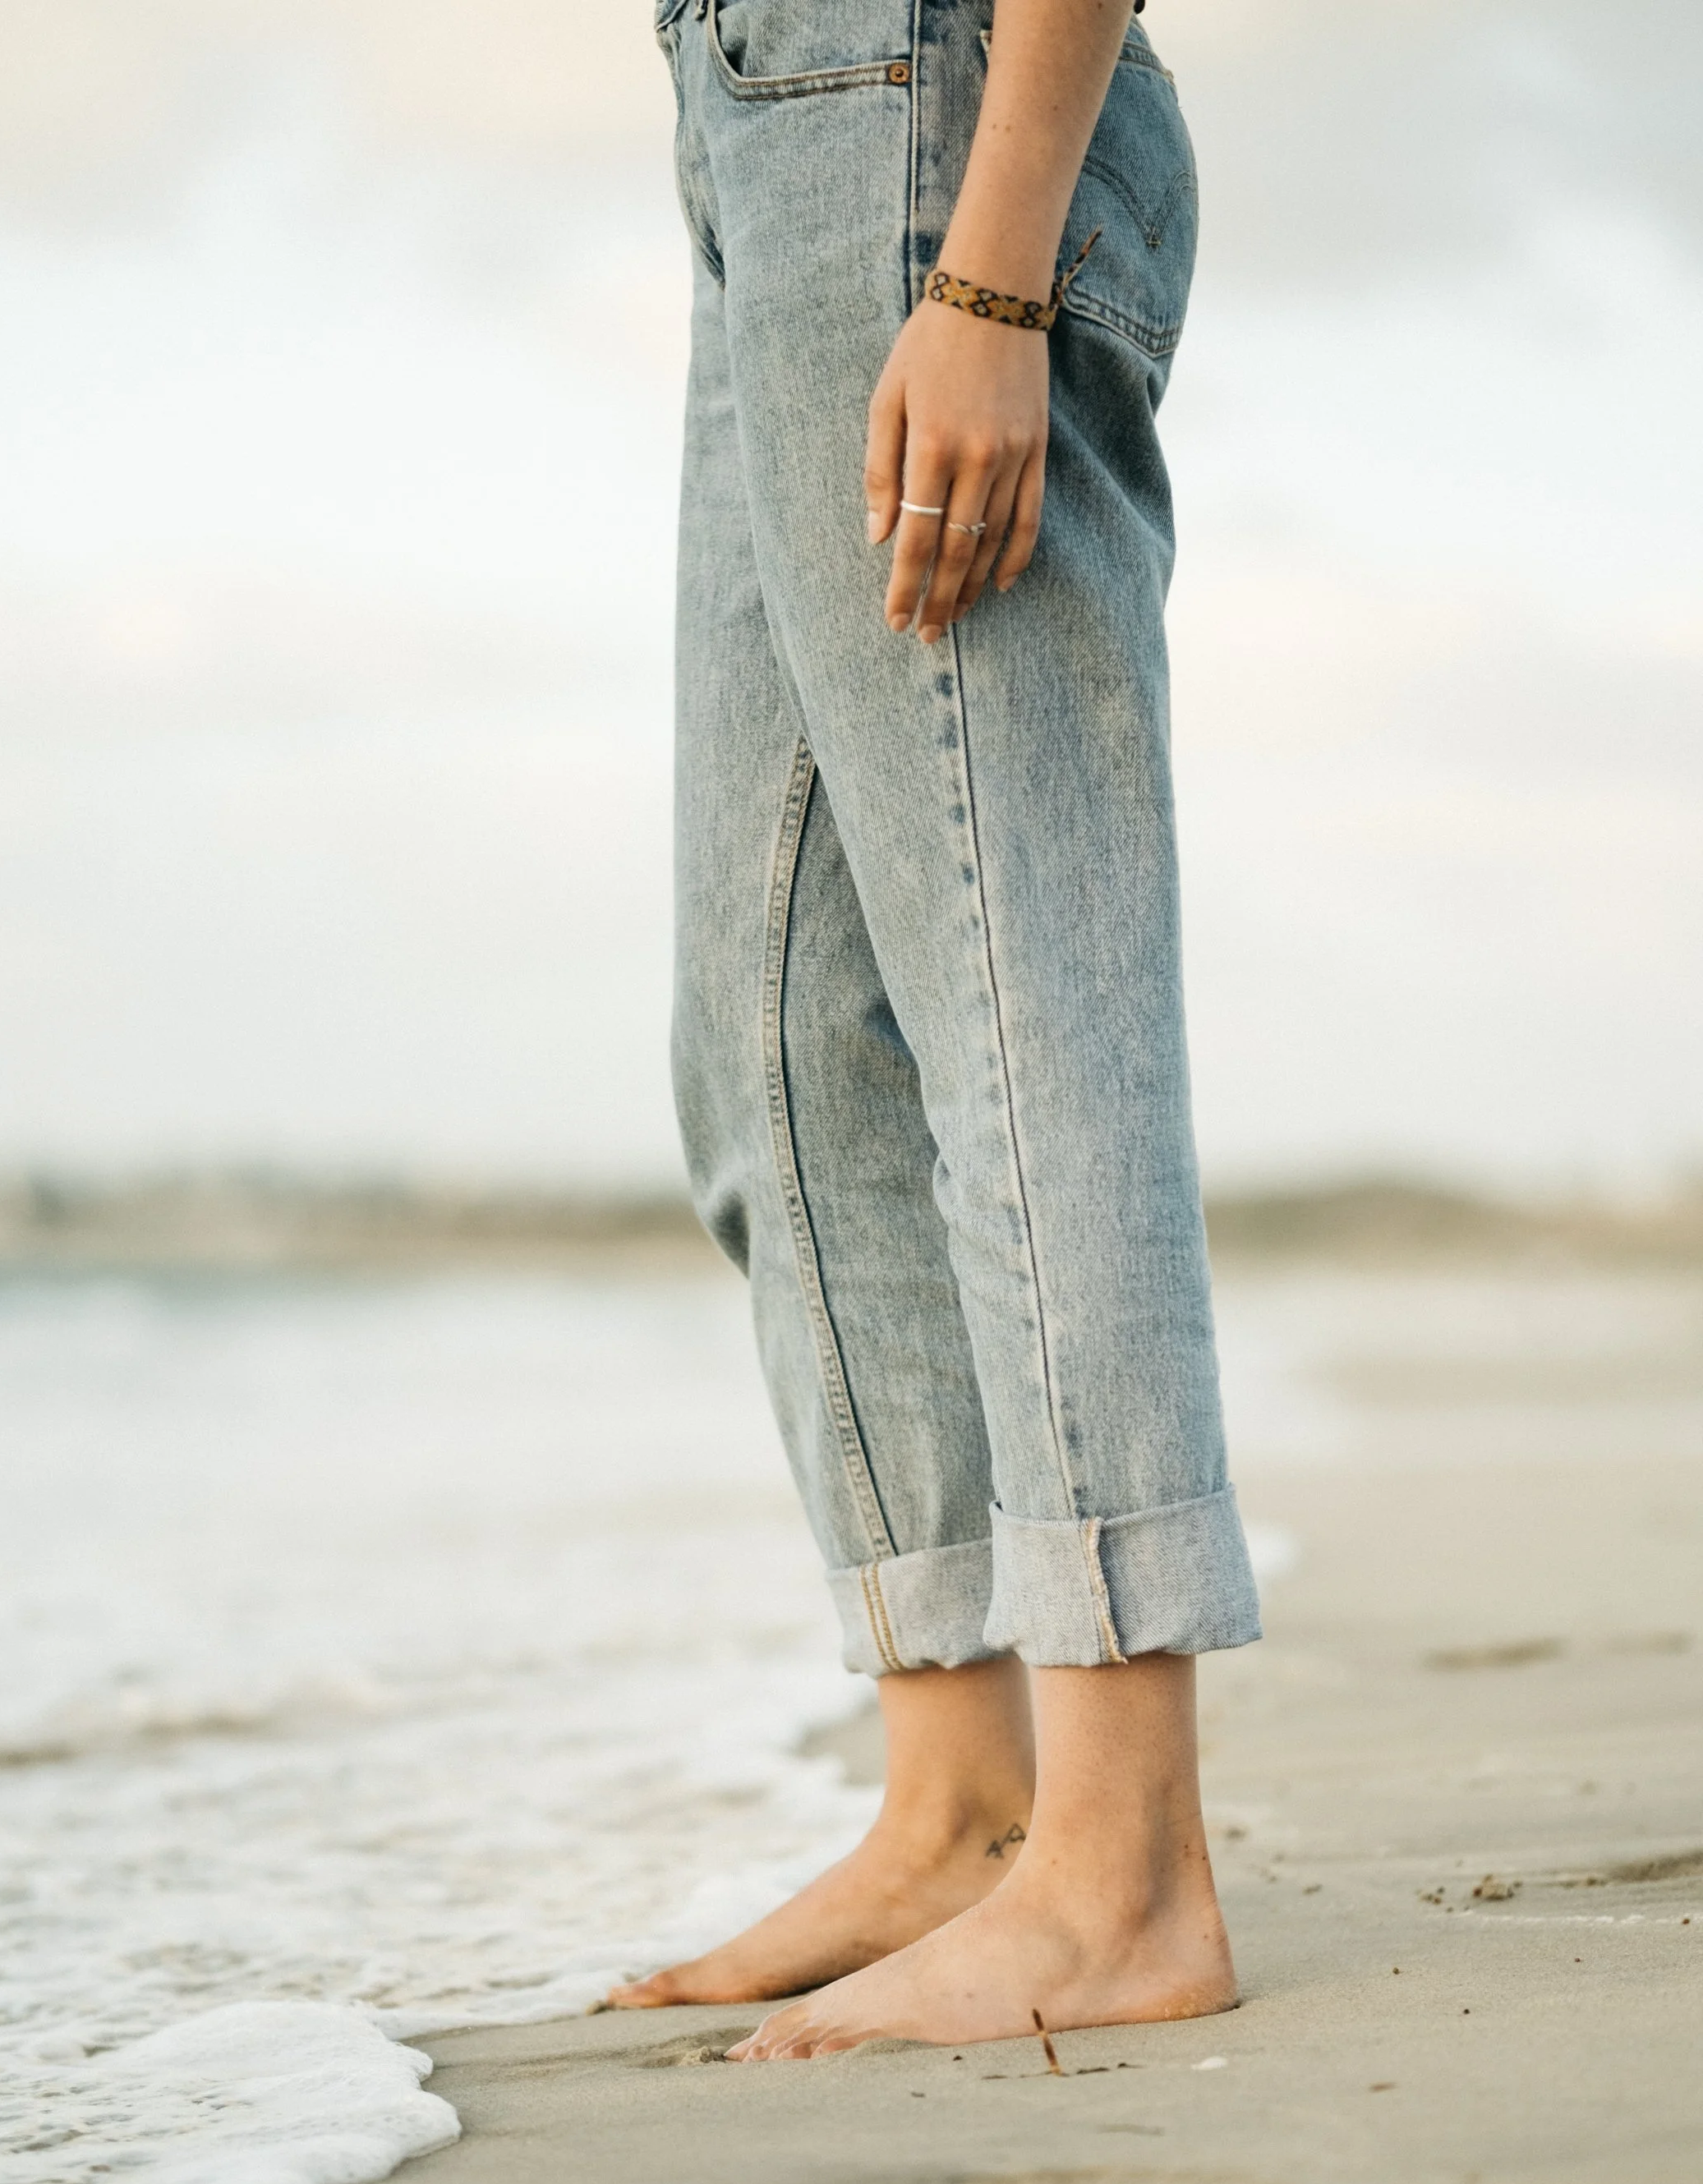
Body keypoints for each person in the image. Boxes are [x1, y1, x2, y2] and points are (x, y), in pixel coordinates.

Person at [610, 0, 1259, 2056]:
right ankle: (965, 1803)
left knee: (1012, 995)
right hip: (764, 135)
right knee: (777, 1037)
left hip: (934, 115)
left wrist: (989, 270)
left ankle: (1125, 1871)